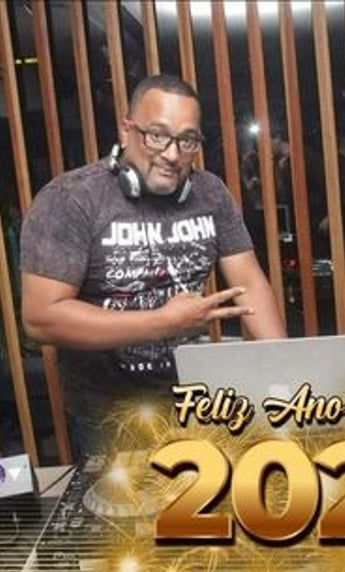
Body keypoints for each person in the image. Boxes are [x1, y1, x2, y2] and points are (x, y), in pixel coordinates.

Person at [20, 75, 286, 458]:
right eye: (157, 136)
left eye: (187, 140)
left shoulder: (210, 193)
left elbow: (248, 282)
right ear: (126, 130)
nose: (173, 154)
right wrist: (163, 322)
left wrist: (283, 370)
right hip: (110, 415)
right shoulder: (70, 200)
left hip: (196, 402)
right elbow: (41, 318)